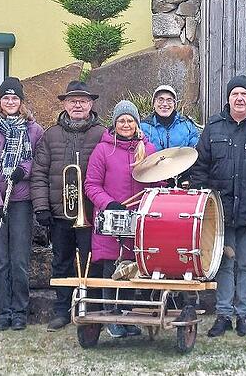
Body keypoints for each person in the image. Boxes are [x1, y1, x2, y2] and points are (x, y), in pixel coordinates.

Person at [189, 75, 246, 338]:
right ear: (228, 98)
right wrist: (203, 204)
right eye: (235, 94)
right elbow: (200, 166)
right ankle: (223, 314)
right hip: (220, 213)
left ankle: (244, 315)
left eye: (244, 94)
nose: (239, 98)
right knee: (224, 264)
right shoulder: (214, 127)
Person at [31, 80, 106, 332]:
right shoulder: (50, 135)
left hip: (91, 213)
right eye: (72, 100)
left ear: (91, 104)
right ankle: (62, 310)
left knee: (91, 261)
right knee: (61, 261)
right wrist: (41, 207)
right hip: (60, 213)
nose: (77, 105)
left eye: (82, 101)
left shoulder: (102, 133)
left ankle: (91, 309)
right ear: (64, 104)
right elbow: (39, 173)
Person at [0, 77, 44, 331]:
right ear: (0, 101)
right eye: (6, 98)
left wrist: (23, 170)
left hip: (21, 201)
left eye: (15, 98)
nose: (10, 102)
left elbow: (39, 160)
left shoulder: (34, 129)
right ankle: (2, 310)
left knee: (19, 259)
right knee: (1, 258)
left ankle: (19, 310)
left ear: (21, 101)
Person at [85, 100, 157, 338]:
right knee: (111, 268)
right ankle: (112, 317)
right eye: (121, 120)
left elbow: (158, 181)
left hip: (140, 219)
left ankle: (127, 317)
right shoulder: (103, 150)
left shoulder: (148, 150)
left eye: (130, 120)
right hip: (112, 219)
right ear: (114, 124)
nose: (126, 124)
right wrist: (110, 204)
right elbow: (91, 185)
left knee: (132, 270)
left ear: (137, 124)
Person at [140, 84, 199, 151]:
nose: (165, 104)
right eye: (160, 100)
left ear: (174, 104)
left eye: (169, 100)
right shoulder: (143, 127)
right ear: (154, 103)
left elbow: (194, 150)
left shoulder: (187, 126)